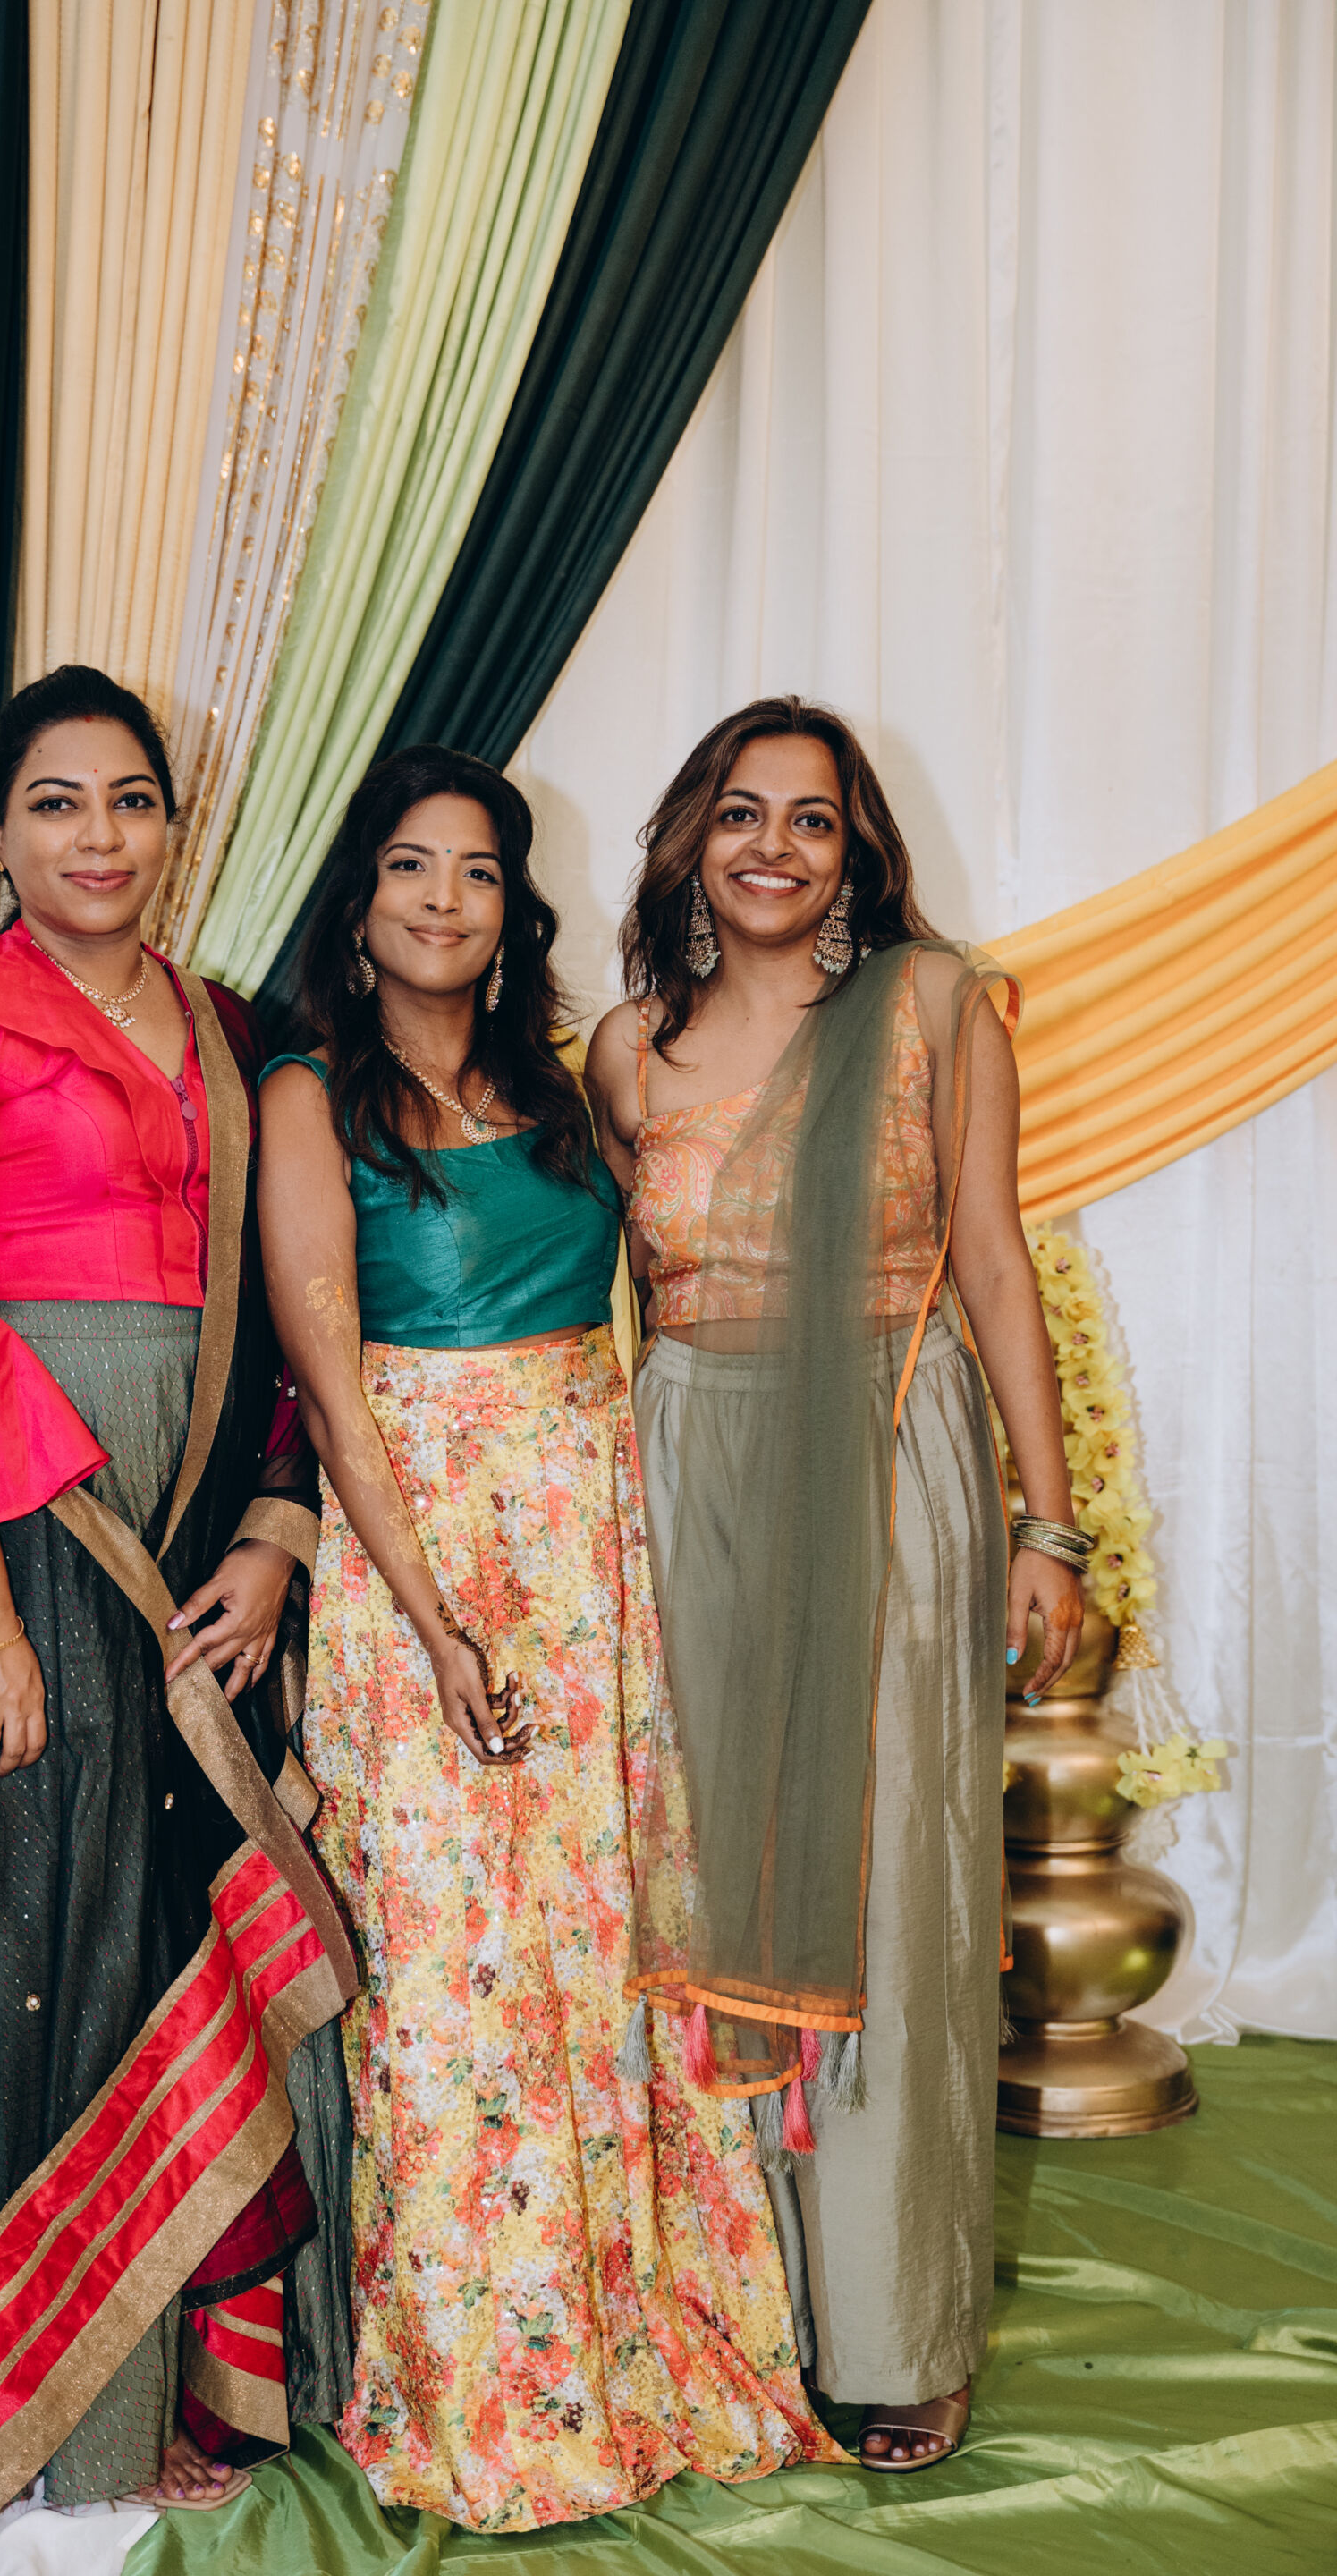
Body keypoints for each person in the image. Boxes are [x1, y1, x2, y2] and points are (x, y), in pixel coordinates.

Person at [0, 665, 354, 2529]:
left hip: (191, 1516)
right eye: (56, 802)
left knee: (151, 1932)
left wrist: (272, 1528)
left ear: (175, 824)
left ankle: (161, 2393)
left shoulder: (226, 1030)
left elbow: (283, 1308)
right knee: (8, 1921)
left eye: (131, 799)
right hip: (15, 1521)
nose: (98, 837)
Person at [257, 745, 837, 2532]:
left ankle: (642, 2341)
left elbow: (681, 1269)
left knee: (602, 1949)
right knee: (456, 1976)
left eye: (479, 870)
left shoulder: (562, 1078)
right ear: (360, 900)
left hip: (596, 1555)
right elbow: (330, 1386)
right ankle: (491, 2385)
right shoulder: (306, 1095)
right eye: (410, 866)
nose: (444, 899)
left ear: (516, 907)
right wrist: (436, 1626)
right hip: (421, 1566)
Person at [586, 698, 1087, 2474]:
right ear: (691, 839)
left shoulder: (936, 1005)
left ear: (858, 849)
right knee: (710, 1885)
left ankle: (898, 2328)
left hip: (890, 1446)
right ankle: (746, 2314)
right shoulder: (622, 1052)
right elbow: (607, 1292)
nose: (775, 847)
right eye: (743, 812)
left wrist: (1048, 1527)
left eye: (813, 818)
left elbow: (996, 1262)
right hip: (690, 1476)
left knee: (897, 1891)